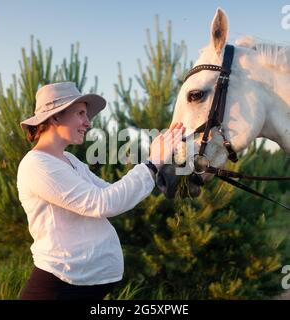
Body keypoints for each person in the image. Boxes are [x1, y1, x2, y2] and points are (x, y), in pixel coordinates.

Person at [17, 82, 185, 300]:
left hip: (79, 285)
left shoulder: (70, 160)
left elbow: (112, 193)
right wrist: (152, 163)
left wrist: (158, 164)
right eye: (81, 114)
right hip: (59, 285)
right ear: (55, 117)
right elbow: (103, 203)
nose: (88, 123)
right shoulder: (37, 165)